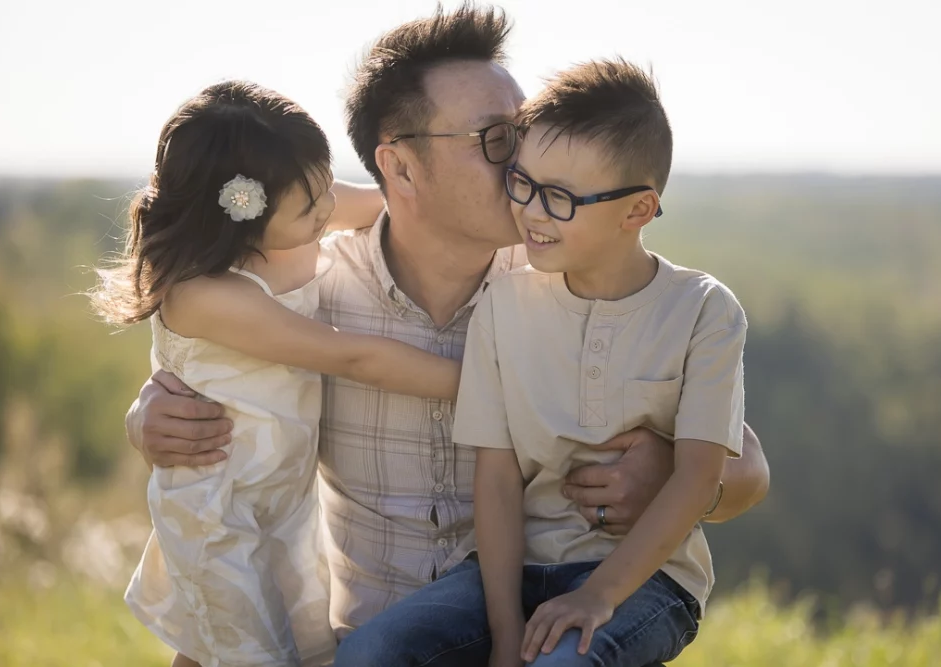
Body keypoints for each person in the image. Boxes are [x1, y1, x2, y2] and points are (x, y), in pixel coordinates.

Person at [124, 2, 769, 647]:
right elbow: (213, 346)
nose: (524, 167)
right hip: (369, 642)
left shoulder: (573, 283)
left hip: (538, 631)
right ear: (400, 168)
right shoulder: (313, 289)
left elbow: (748, 474)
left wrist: (670, 481)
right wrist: (150, 417)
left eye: (525, 136)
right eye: (496, 141)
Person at [334, 58, 743, 667]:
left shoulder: (703, 309)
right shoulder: (505, 304)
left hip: (648, 581)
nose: (529, 210)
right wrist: (504, 635)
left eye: (558, 198)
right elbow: (496, 479)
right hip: (514, 572)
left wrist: (599, 595)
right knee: (373, 652)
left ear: (637, 211)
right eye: (522, 182)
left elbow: (701, 474)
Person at [92, 80, 465, 667]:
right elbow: (351, 356)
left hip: (284, 501)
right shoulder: (204, 295)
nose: (328, 207)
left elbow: (386, 203)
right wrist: (478, 386)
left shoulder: (292, 204)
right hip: (222, 505)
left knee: (240, 647)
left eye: (325, 184)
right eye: (311, 204)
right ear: (242, 211)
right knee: (244, 649)